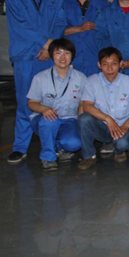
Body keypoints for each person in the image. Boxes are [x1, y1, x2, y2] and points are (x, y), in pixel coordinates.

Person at [6, 0, 67, 164]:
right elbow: (21, 26)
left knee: (53, 99)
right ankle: (20, 147)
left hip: (49, 56)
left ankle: (56, 144)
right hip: (26, 55)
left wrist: (50, 48)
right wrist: (47, 44)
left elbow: (60, 23)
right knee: (26, 101)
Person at [27, 39, 86, 170]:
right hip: (44, 120)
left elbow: (82, 104)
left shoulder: (81, 78)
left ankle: (60, 147)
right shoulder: (40, 78)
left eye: (67, 53)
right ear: (51, 55)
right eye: (58, 53)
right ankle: (48, 157)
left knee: (74, 144)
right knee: (50, 121)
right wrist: (44, 109)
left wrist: (81, 124)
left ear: (72, 55)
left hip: (69, 119)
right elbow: (31, 103)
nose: (63, 57)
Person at [77, 47, 129, 169]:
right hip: (103, 127)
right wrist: (108, 119)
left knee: (122, 144)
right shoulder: (91, 82)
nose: (109, 68)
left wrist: (125, 126)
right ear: (99, 65)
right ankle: (89, 156)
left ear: (120, 64)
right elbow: (87, 106)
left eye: (114, 64)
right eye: (105, 64)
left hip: (123, 127)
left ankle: (119, 151)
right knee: (84, 118)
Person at [62, 0, 106, 76]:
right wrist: (79, 28)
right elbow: (54, 30)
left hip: (94, 58)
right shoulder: (61, 2)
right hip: (69, 57)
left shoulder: (102, 3)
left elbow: (108, 32)